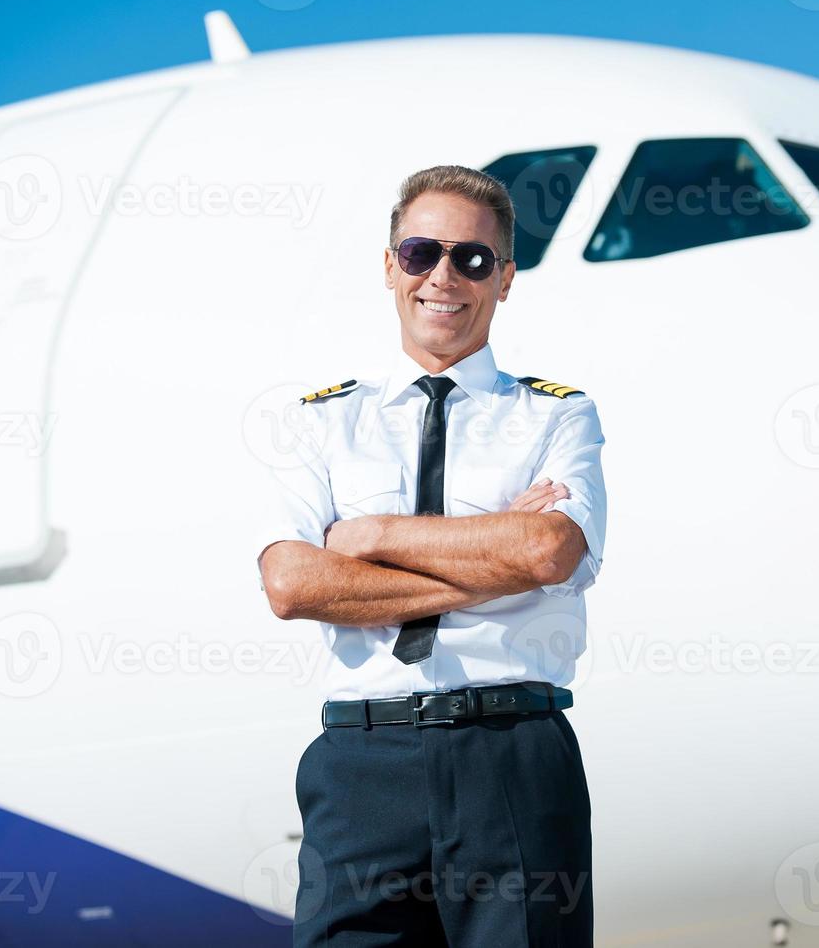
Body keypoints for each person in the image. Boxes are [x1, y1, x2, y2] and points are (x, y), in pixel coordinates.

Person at [255, 165, 606, 947]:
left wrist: (372, 538)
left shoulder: (557, 415)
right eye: (421, 253)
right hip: (361, 766)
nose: (443, 276)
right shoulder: (320, 422)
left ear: (504, 279)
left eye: (473, 259)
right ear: (390, 266)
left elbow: (548, 549)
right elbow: (289, 581)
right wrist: (492, 558)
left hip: (511, 756)